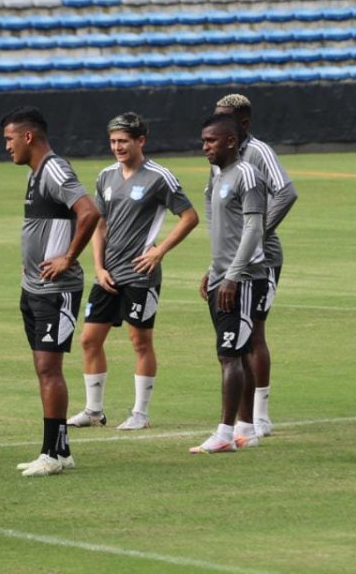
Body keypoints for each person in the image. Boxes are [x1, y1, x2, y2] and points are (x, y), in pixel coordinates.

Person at [68, 112, 199, 431]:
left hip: (141, 275)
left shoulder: (159, 176)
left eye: (123, 141)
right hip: (108, 274)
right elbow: (100, 223)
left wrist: (159, 250)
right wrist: (98, 266)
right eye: (113, 141)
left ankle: (140, 413)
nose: (117, 147)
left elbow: (189, 216)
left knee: (139, 341)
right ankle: (94, 410)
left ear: (141, 140)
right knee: (88, 339)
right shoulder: (106, 176)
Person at [1, 106, 101, 477]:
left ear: (29, 136)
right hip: (34, 288)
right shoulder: (36, 174)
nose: (7, 146)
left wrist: (68, 257)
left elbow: (89, 211)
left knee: (49, 366)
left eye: (10, 139)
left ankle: (53, 455)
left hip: (56, 290)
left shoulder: (55, 168)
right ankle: (59, 450)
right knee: (43, 368)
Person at [213, 94, 297, 441]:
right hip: (230, 260)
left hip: (262, 260)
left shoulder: (258, 152)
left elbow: (286, 192)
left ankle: (260, 415)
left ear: (243, 123)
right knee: (239, 341)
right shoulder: (219, 156)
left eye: (225, 118)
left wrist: (259, 232)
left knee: (254, 333)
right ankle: (244, 421)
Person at [191, 114, 269, 455]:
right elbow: (225, 231)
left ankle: (225, 433)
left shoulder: (248, 175)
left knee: (230, 355)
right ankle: (246, 427)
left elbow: (254, 229)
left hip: (244, 279)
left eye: (211, 141)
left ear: (231, 142)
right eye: (204, 140)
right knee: (236, 351)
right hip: (223, 276)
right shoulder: (218, 175)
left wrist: (234, 275)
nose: (205, 146)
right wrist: (214, 269)